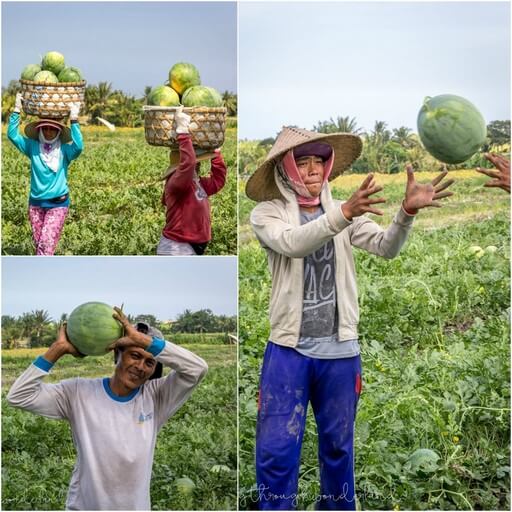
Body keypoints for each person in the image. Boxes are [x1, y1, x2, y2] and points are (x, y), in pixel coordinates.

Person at [246, 126, 454, 510]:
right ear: (285, 169)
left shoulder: (344, 211)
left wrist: (405, 213)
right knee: (276, 451)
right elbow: (294, 244)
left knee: (338, 449)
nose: (312, 170)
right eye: (302, 162)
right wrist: (341, 214)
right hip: (289, 352)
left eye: (319, 161)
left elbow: (385, 246)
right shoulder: (267, 213)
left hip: (340, 353)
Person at [7, 307, 208, 510]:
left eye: (149, 362)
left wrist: (143, 341)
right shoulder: (77, 393)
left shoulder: (157, 397)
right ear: (117, 355)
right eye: (135, 355)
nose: (140, 367)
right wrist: (57, 348)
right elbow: (19, 396)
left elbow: (197, 369)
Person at [7, 93, 83, 255]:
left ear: (58, 132)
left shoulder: (64, 151)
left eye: (53, 129)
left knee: (46, 244)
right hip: (35, 204)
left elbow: (79, 147)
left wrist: (74, 119)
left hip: (58, 203)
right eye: (45, 128)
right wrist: (16, 109)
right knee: (40, 244)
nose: (48, 132)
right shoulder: (32, 147)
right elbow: (12, 135)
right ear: (40, 129)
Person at [157, 106, 227, 255]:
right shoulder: (176, 183)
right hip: (177, 246)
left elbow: (218, 181)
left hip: (194, 245)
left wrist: (216, 154)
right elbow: (187, 165)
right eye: (197, 161)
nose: (199, 163)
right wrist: (183, 133)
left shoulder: (198, 183)